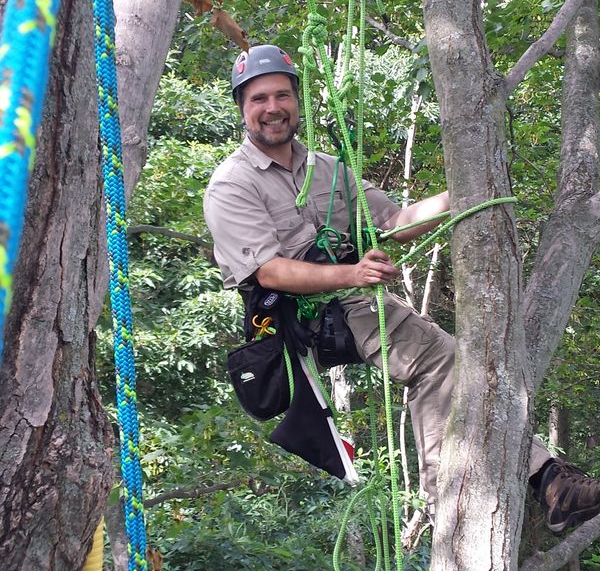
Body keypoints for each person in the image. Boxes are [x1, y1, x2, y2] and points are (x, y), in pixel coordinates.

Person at [204, 44, 600, 535]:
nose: (272, 108)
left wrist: (468, 192)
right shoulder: (232, 184)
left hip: (349, 299)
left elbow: (392, 222)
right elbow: (269, 272)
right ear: (243, 108)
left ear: (297, 100)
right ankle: (459, 500)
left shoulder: (328, 169)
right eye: (259, 98)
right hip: (301, 315)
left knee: (456, 362)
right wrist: (351, 274)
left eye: (282, 95)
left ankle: (544, 481)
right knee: (439, 359)